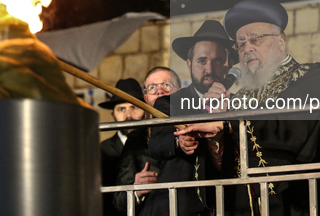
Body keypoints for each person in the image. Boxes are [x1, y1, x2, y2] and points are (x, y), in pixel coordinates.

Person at [176, 0, 320, 215]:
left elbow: (290, 129)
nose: (247, 48)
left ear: (281, 41)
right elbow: (227, 162)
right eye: (240, 43)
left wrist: (227, 124)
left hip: (300, 203)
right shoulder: (241, 96)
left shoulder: (310, 75)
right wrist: (213, 138)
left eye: (256, 39)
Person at [141, 20, 236, 216]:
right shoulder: (170, 102)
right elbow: (156, 144)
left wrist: (227, 119)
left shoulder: (239, 104)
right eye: (202, 61)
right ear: (189, 64)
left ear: (229, 65)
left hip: (227, 205)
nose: (209, 68)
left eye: (217, 60)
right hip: (180, 206)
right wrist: (179, 141)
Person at [113, 67, 181, 214]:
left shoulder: (197, 127)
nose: (159, 91)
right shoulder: (136, 140)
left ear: (181, 93)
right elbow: (118, 200)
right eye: (152, 87)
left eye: (167, 85)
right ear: (146, 99)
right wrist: (136, 189)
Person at [99, 78, 146, 216]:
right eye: (121, 109)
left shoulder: (153, 145)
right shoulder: (101, 150)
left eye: (134, 107)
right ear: (113, 114)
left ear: (145, 110)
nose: (128, 116)